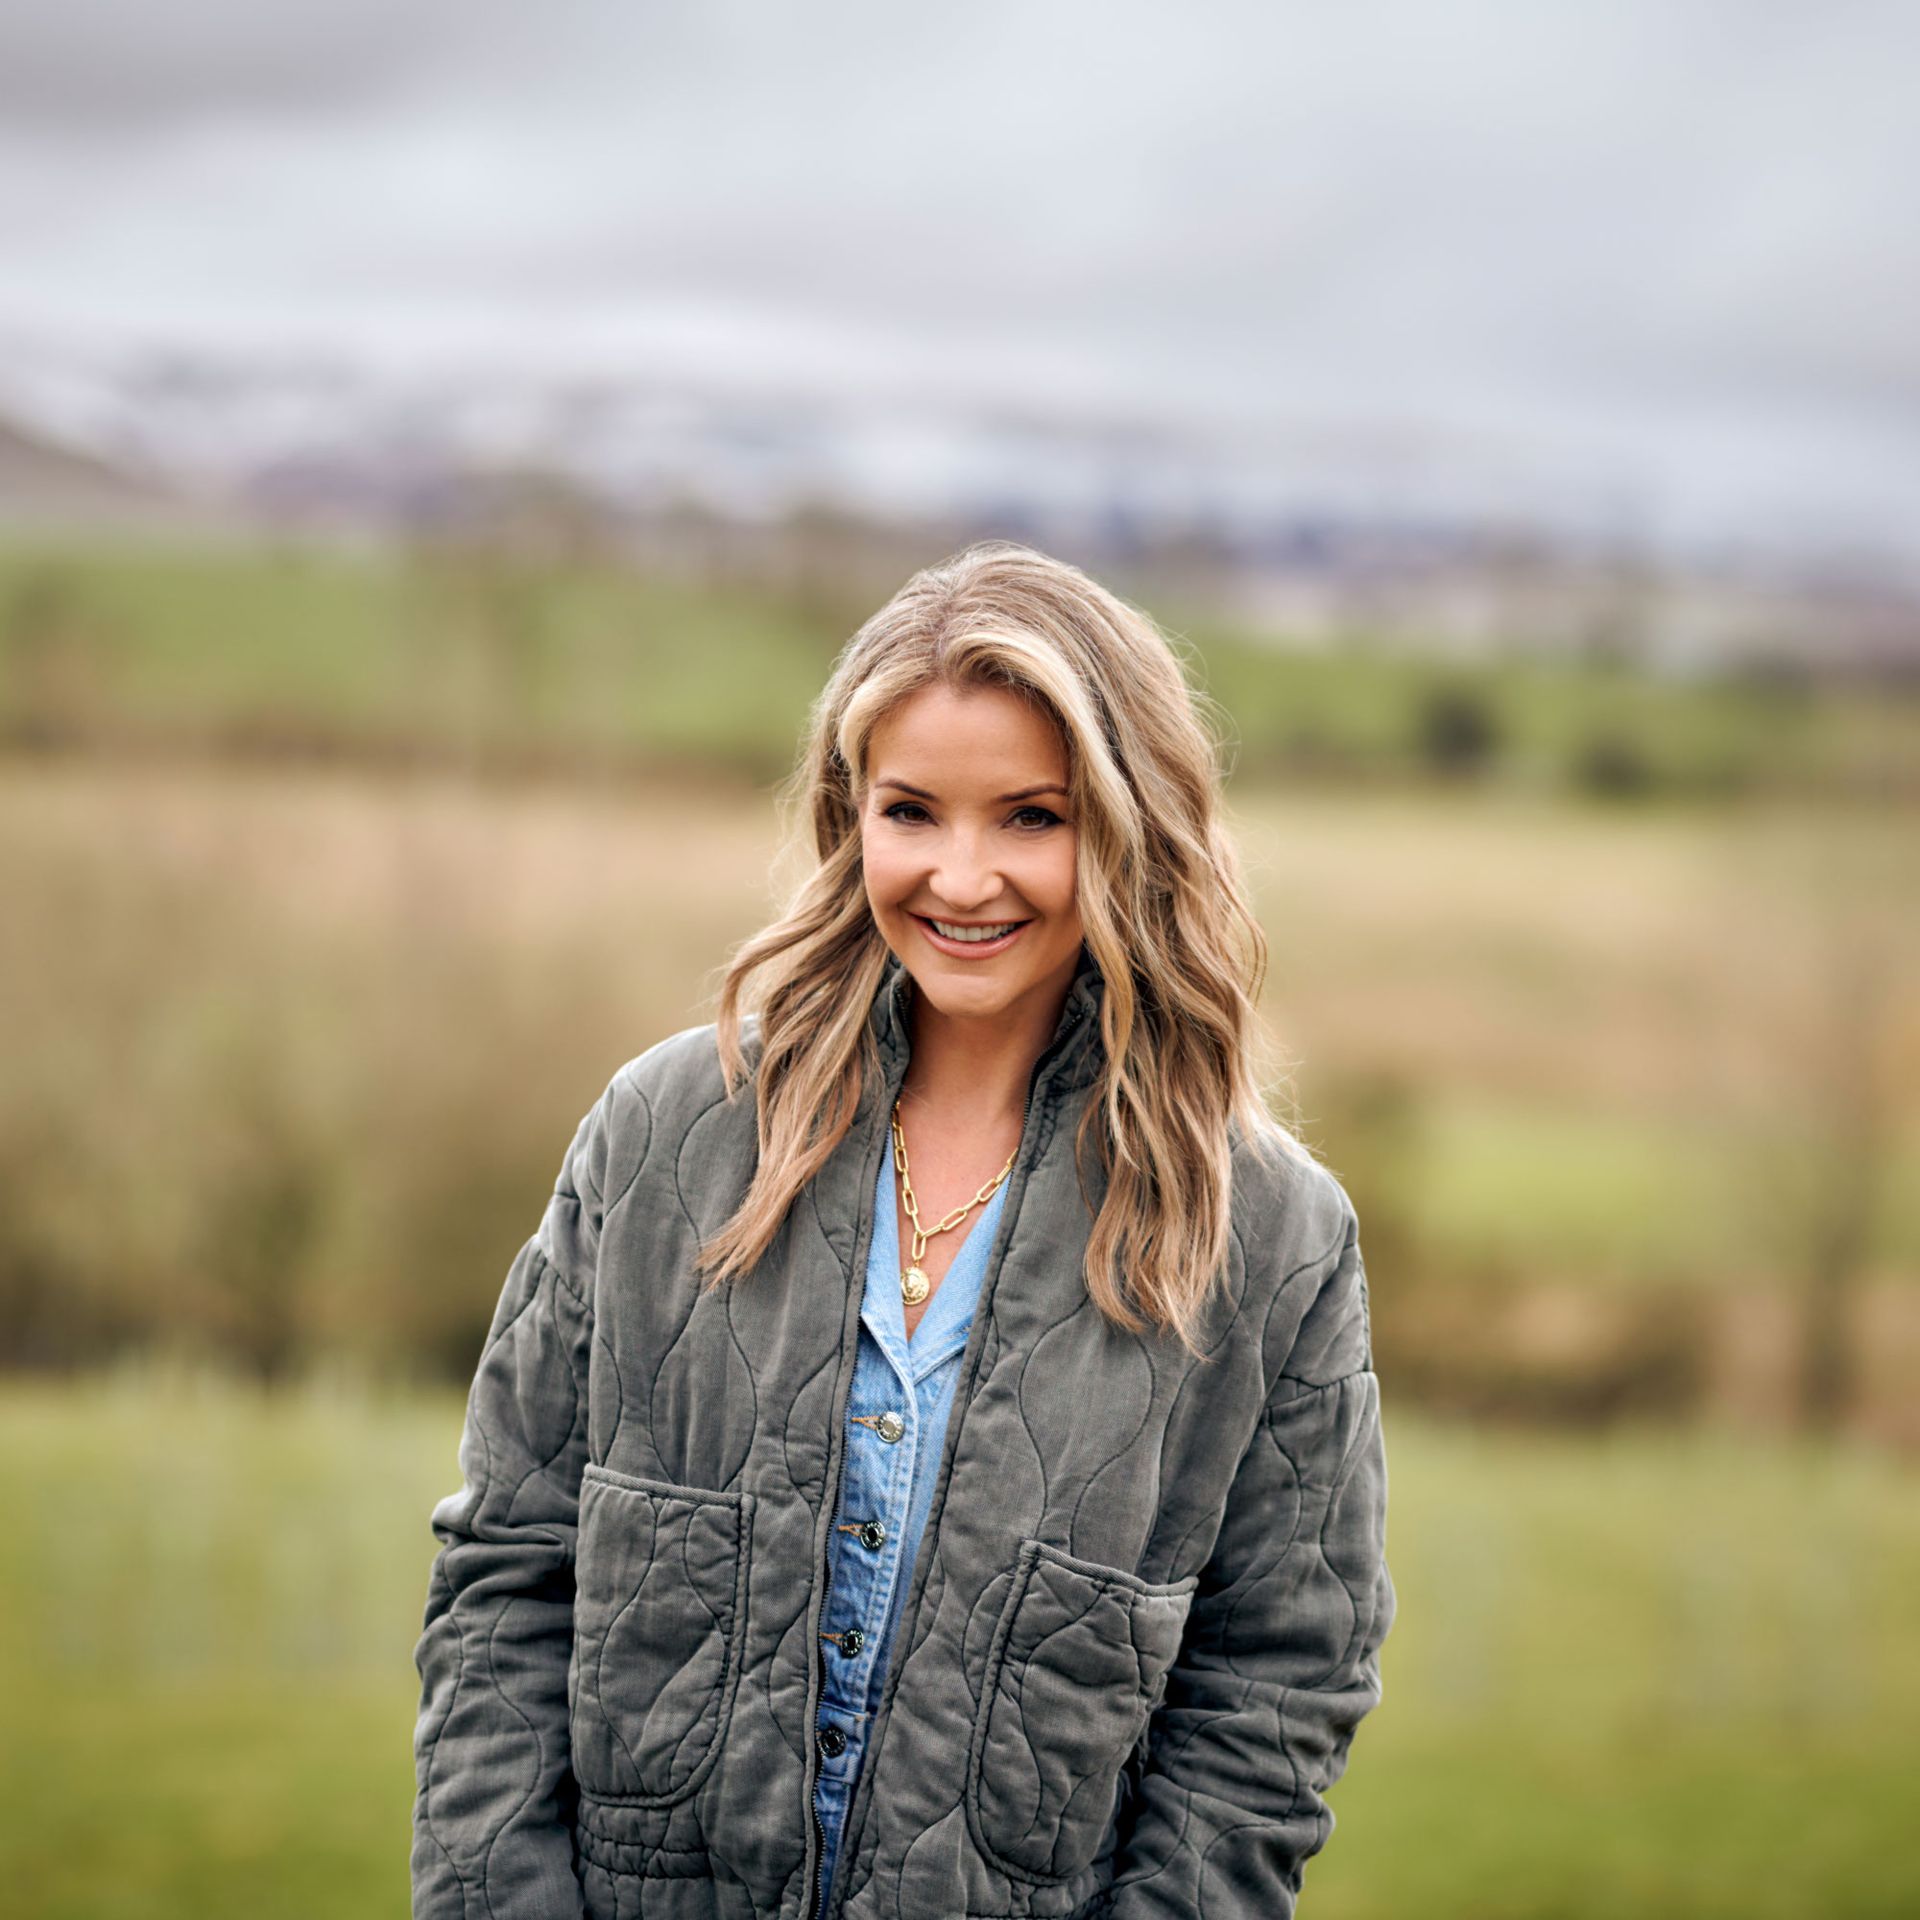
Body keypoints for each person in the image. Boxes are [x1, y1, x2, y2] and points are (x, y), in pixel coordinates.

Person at [410, 541, 1396, 1920]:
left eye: (1033, 818)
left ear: (1130, 827)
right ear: (847, 813)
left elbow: (1272, 1701)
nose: (963, 876)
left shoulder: (1269, 1243)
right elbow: (507, 1584)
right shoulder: (662, 1136)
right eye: (913, 811)